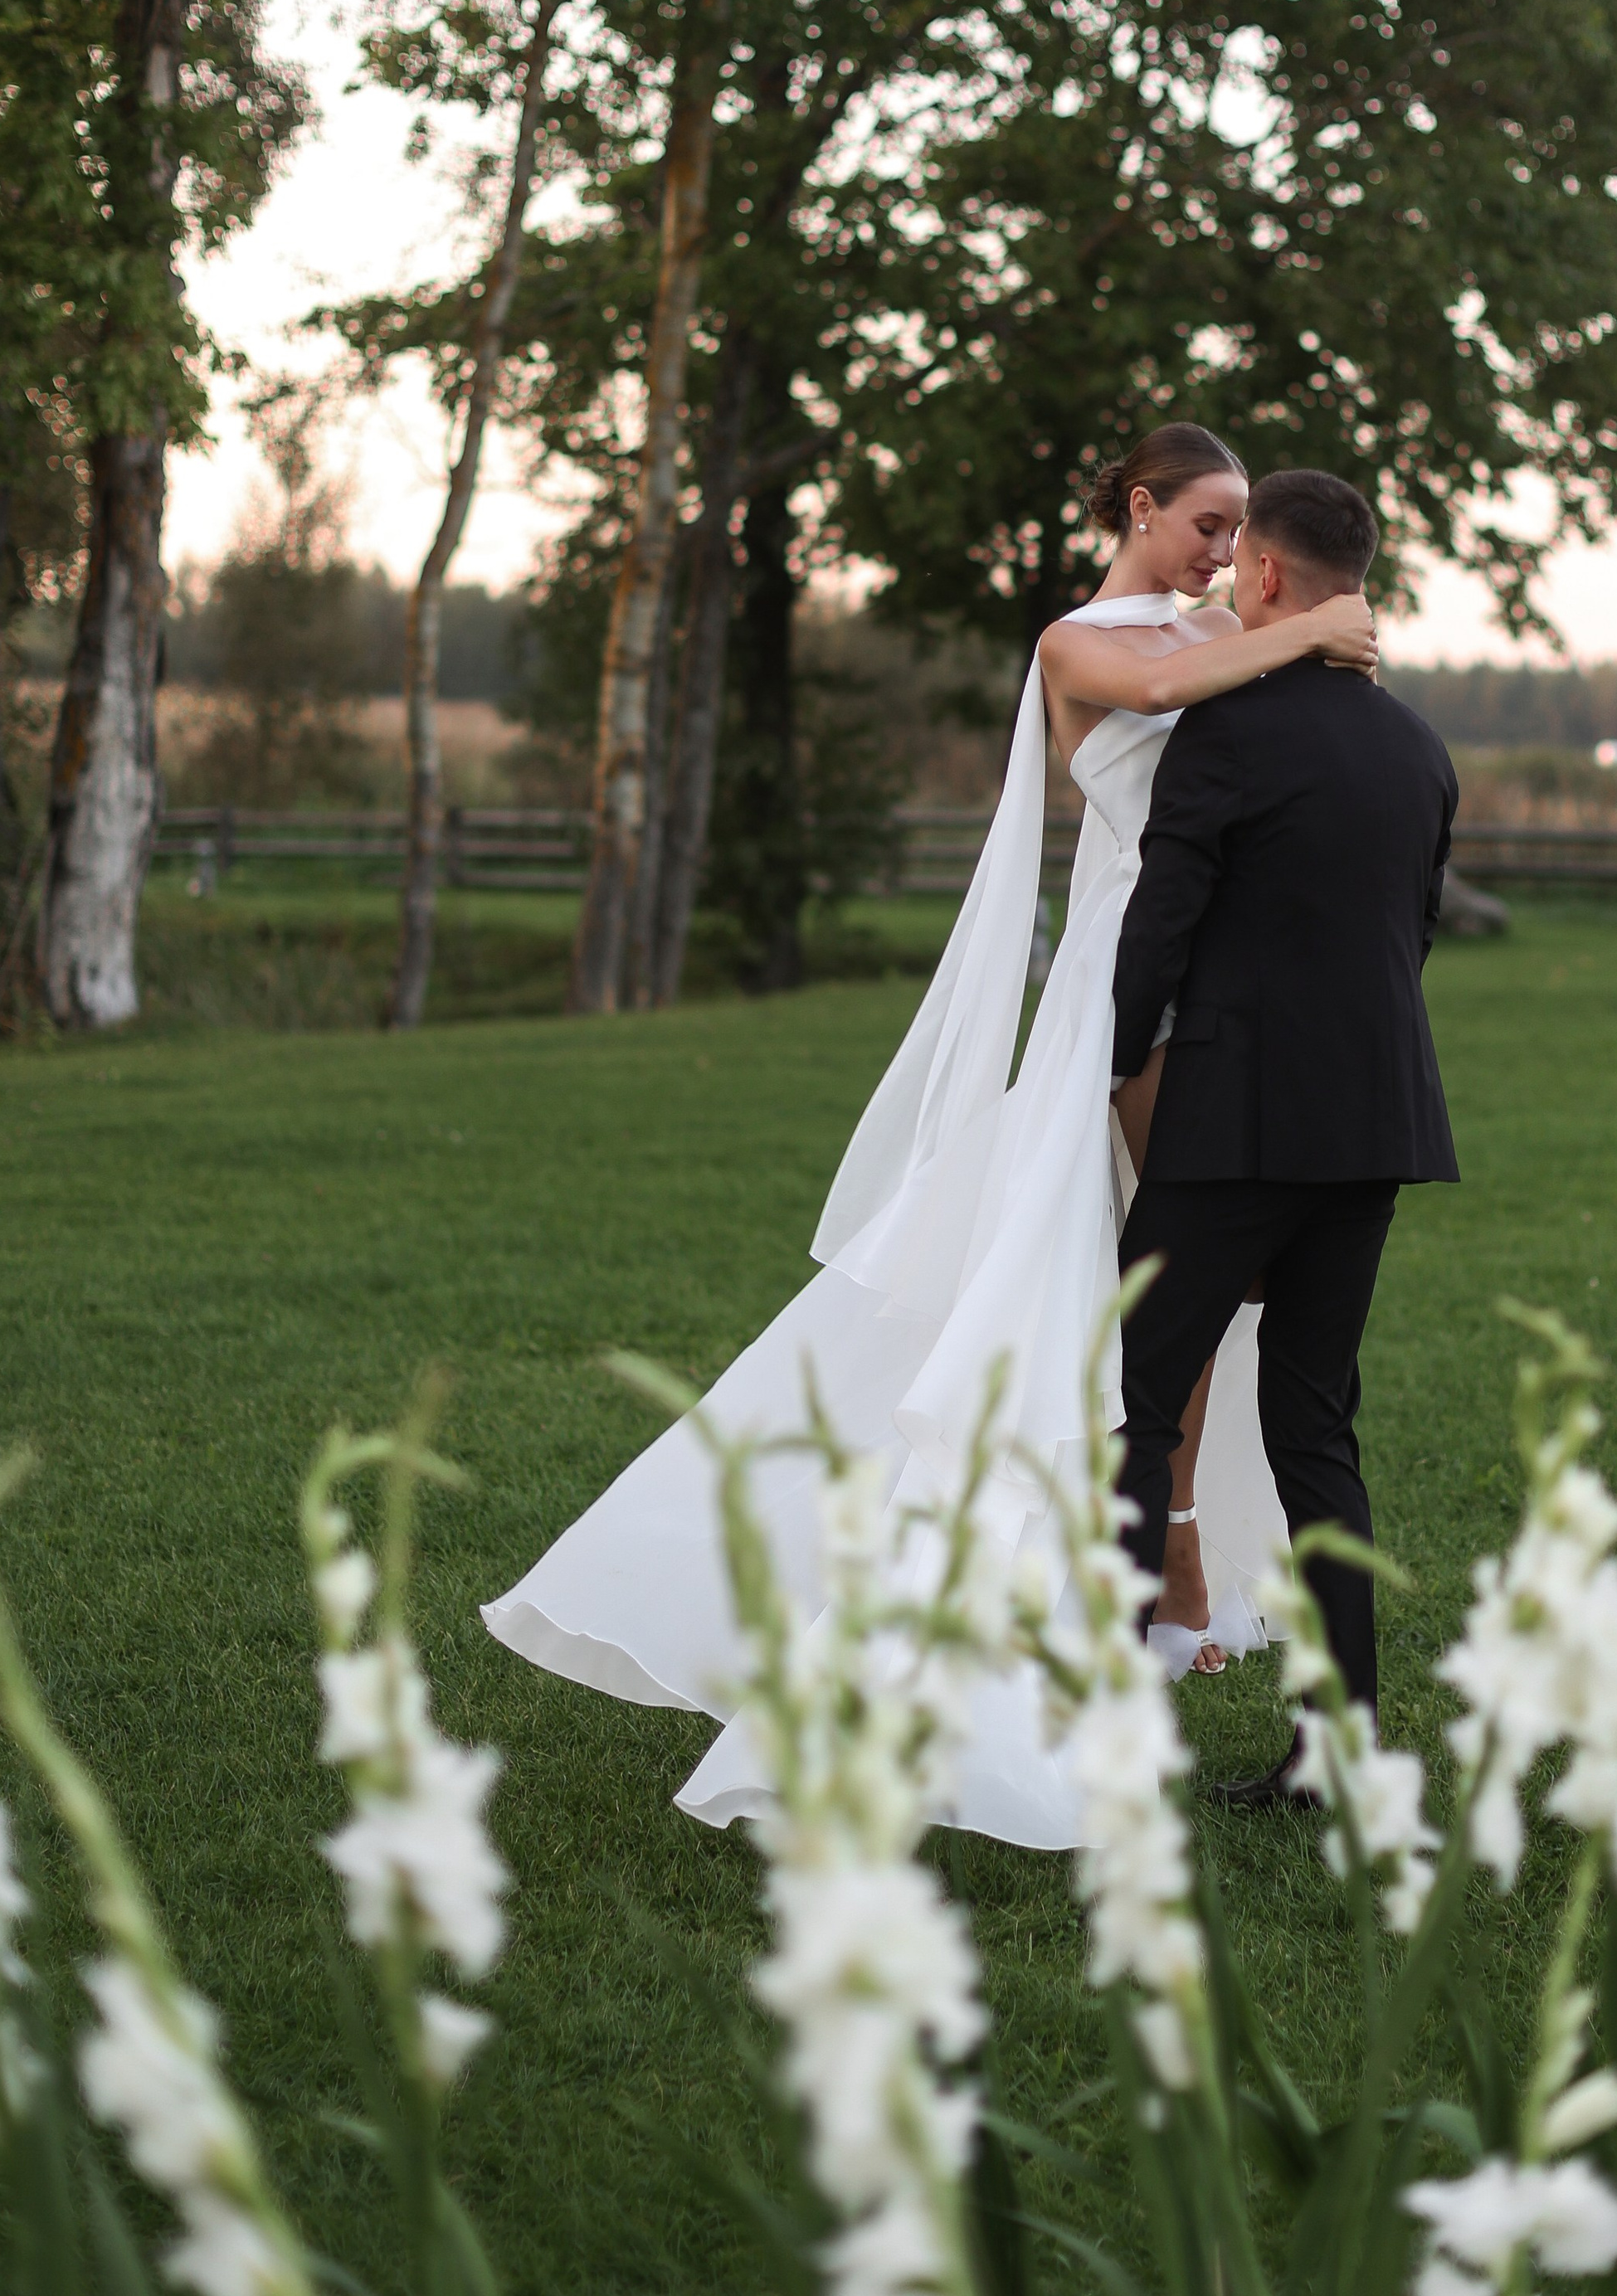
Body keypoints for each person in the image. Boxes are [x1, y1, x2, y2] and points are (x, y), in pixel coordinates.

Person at [480, 424, 1377, 1847]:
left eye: (1235, 535)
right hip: (1125, 985)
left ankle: (1172, 1576)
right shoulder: (1083, 643)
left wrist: (1299, 631)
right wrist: (1319, 624)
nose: (1220, 555)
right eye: (1203, 525)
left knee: (1183, 1294)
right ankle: (1019, 1614)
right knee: (1079, 1291)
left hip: (1224, 989)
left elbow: (1250, 703)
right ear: (1139, 508)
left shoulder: (1225, 629)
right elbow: (1170, 684)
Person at [1109, 469, 1459, 1802]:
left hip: (1233, 1122)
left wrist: (1112, 1061)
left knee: (1143, 1406)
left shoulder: (1231, 734)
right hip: (1373, 1126)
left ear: (1262, 579)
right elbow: (1408, 938)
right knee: (1315, 1431)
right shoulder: (1419, 747)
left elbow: (1164, 925)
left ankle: (1121, 1723)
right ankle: (1335, 1751)